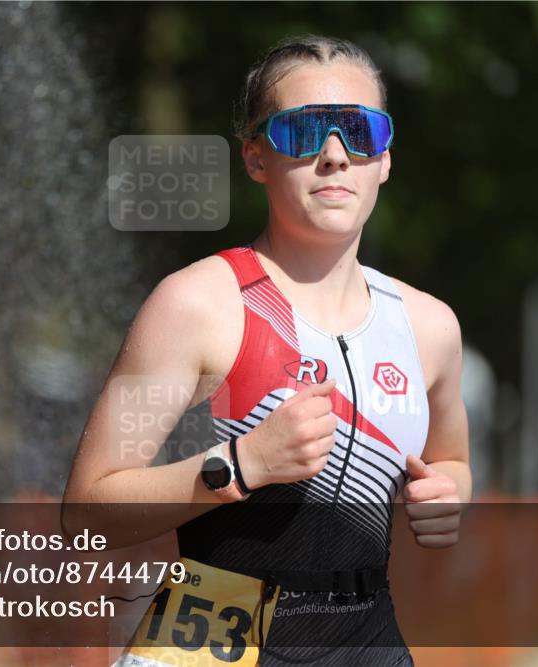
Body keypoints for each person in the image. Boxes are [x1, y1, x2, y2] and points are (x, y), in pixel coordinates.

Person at [62, 34, 471, 666]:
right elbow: (87, 514)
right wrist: (240, 464)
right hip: (213, 630)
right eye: (303, 132)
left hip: (367, 638)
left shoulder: (430, 327)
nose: (335, 155)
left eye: (360, 131)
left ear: (385, 158)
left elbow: (451, 462)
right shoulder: (196, 305)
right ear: (256, 158)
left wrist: (450, 496)